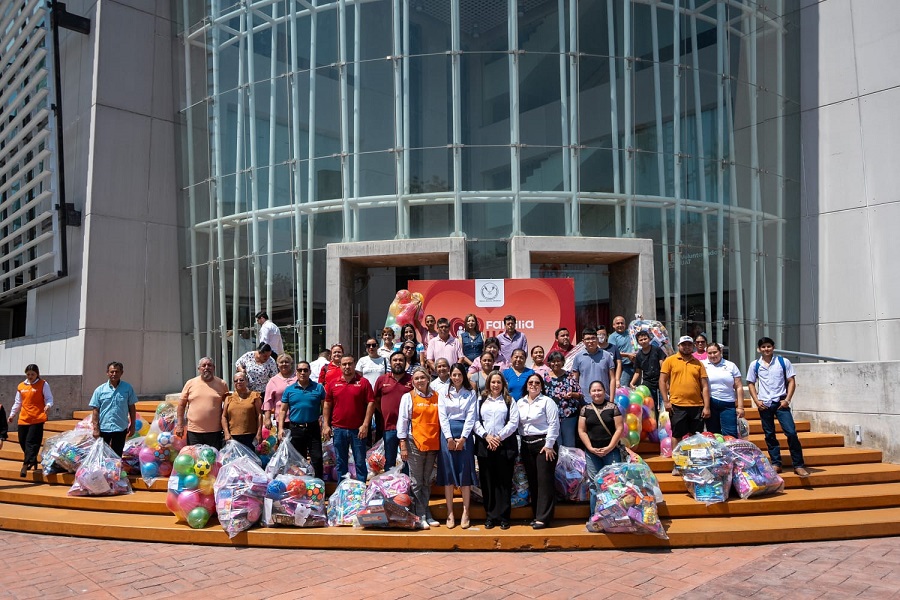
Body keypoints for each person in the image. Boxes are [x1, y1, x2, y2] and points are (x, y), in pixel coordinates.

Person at [746, 337, 808, 477]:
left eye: (768, 346)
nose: (766, 349)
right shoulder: (755, 365)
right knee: (769, 435)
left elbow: (791, 381)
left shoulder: (783, 362)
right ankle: (776, 463)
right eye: (763, 347)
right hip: (765, 404)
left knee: (791, 432)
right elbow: (750, 382)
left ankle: (798, 464)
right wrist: (756, 400)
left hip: (781, 403)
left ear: (773, 347)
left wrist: (787, 400)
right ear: (759, 349)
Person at [473, 371, 520, 530]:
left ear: (503, 384)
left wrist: (498, 437)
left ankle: (504, 516)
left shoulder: (509, 400)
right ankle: (490, 516)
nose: (495, 385)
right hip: (485, 445)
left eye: (498, 382)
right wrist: (487, 436)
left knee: (504, 482)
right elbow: (475, 421)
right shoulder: (481, 400)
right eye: (493, 382)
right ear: (488, 384)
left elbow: (513, 422)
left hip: (504, 446)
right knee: (488, 482)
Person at [397, 366, 441, 529]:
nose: (420, 381)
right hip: (414, 443)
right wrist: (403, 445)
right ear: (412, 381)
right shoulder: (408, 397)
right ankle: (419, 515)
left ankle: (425, 512)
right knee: (416, 481)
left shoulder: (437, 396)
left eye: (422, 377)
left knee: (426, 480)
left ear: (428, 378)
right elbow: (402, 421)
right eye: (416, 378)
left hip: (432, 443)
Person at [517, 373, 559, 529]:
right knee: (533, 482)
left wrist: (549, 445)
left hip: (544, 445)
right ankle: (536, 514)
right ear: (526, 385)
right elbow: (517, 424)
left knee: (544, 482)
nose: (533, 385)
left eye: (537, 383)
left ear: (541, 386)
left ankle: (544, 517)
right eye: (530, 382)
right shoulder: (520, 402)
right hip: (527, 445)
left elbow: (554, 424)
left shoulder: (547, 402)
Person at [323, 355, 375, 482]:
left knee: (360, 461)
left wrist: (365, 425)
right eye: (344, 364)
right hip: (338, 429)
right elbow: (327, 404)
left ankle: (361, 488)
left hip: (358, 430)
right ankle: (343, 489)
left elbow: (371, 402)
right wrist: (325, 425)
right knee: (341, 462)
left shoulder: (363, 382)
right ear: (340, 366)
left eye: (350, 364)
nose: (347, 367)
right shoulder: (333, 383)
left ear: (354, 364)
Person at [437, 363, 477, 529]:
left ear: (464, 375)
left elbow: (471, 416)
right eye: (454, 375)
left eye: (459, 374)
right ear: (450, 376)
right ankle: (450, 512)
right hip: (447, 435)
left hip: (465, 435)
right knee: (448, 474)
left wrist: (463, 438)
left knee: (465, 473)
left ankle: (466, 512)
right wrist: (449, 438)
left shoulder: (471, 393)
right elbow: (442, 416)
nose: (456, 378)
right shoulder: (443, 393)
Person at [578, 380, 623, 513]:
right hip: (592, 453)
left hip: (612, 451)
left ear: (605, 392)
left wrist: (609, 447)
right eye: (594, 391)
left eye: (599, 390)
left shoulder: (613, 407)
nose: (597, 393)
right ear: (589, 393)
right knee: (594, 485)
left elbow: (619, 428)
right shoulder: (585, 409)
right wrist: (590, 448)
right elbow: (582, 431)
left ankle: (613, 515)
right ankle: (595, 516)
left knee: (613, 484)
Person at [279, 361, 326, 479]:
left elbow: (325, 407)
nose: (303, 372)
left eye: (305, 370)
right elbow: (283, 410)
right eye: (300, 370)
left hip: (313, 427)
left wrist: (326, 425)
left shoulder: (318, 388)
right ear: (296, 372)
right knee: (298, 460)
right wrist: (280, 428)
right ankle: (301, 487)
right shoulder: (289, 390)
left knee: (317, 458)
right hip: (295, 428)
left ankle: (318, 485)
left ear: (310, 372)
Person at [659, 336, 710, 440]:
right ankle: (676, 456)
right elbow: (662, 381)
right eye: (684, 344)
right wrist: (666, 401)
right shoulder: (669, 361)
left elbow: (705, 386)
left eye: (689, 344)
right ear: (678, 346)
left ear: (693, 346)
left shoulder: (699, 363)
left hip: (696, 405)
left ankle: (694, 456)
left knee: (696, 437)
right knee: (676, 436)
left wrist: (707, 407)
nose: (686, 347)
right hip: (677, 405)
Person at [176, 357, 229, 449]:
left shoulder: (222, 384)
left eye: (209, 365)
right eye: (203, 365)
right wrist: (180, 425)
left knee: (213, 460)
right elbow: (181, 405)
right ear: (199, 369)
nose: (206, 367)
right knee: (195, 459)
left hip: (215, 432)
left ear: (214, 368)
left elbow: (228, 406)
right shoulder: (190, 383)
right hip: (194, 432)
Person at [373, 351, 413, 471]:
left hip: (408, 428)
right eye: (395, 360)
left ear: (405, 363)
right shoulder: (382, 380)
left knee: (407, 460)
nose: (398, 362)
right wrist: (384, 412)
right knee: (389, 461)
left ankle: (406, 486)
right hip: (388, 426)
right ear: (390, 363)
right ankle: (390, 487)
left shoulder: (411, 380)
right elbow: (376, 400)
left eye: (401, 360)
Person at [11, 364, 54, 475]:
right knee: (23, 441)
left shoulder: (43, 384)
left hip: (37, 417)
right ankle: (32, 459)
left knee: (31, 441)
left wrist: (48, 406)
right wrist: (12, 414)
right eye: (28, 374)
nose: (30, 376)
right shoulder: (21, 386)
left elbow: (49, 398)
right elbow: (18, 402)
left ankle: (26, 464)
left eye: (33, 374)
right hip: (24, 418)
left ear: (37, 374)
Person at [89, 362, 137, 458]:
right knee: (102, 455)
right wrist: (96, 428)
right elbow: (95, 411)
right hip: (104, 428)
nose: (114, 374)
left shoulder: (127, 388)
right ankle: (103, 473)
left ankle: (114, 473)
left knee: (117, 456)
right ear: (107, 373)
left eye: (117, 372)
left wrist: (132, 425)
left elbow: (132, 408)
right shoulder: (100, 390)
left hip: (120, 428)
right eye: (112, 372)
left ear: (121, 373)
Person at [703, 342, 745, 437]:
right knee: (713, 435)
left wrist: (740, 407)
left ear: (720, 351)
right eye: (710, 353)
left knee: (730, 434)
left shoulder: (731, 365)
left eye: (715, 352)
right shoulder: (702, 365)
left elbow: (739, 387)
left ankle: (730, 452)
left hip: (728, 404)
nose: (713, 355)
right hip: (710, 403)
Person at [543, 350, 583, 448]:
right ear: (549, 363)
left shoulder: (569, 375)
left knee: (569, 442)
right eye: (553, 361)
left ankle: (570, 463)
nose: (555, 363)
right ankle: (558, 463)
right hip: (551, 416)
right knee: (556, 443)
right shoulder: (545, 377)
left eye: (558, 361)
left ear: (562, 362)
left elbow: (580, 394)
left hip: (568, 415)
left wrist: (572, 394)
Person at [571, 327, 616, 399]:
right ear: (583, 341)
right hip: (585, 400)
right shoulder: (578, 357)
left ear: (597, 339)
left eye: (593, 338)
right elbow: (575, 380)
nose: (591, 341)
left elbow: (612, 379)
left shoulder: (607, 356)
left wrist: (611, 399)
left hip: (604, 398)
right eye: (587, 339)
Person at [222, 372, 263, 451]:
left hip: (250, 435)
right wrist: (226, 433)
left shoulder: (255, 396)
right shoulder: (229, 397)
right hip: (233, 436)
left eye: (241, 380)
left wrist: (259, 433)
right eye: (236, 381)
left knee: (250, 460)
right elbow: (224, 416)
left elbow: (259, 415)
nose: (238, 382)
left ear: (247, 381)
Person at [630, 330, 667, 411]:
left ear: (649, 339)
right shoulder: (639, 355)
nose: (643, 341)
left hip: (660, 379)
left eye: (645, 339)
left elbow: (663, 365)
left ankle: (663, 423)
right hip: (648, 382)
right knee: (651, 406)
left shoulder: (657, 350)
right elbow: (637, 372)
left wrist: (666, 381)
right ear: (638, 342)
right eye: (641, 340)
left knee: (663, 405)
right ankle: (654, 422)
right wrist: (632, 383)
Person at [262, 354, 296, 429]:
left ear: (291, 364)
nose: (284, 364)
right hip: (281, 418)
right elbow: (268, 401)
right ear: (277, 365)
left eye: (286, 362)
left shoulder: (297, 378)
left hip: (297, 417)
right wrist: (267, 418)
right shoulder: (273, 381)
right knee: (283, 440)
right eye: (281, 362)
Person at [609, 315, 637, 388]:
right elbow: (613, 352)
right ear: (613, 325)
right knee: (622, 386)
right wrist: (628, 355)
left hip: (635, 365)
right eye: (618, 323)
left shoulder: (631, 333)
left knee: (634, 388)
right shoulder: (612, 337)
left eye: (622, 323)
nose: (620, 325)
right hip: (623, 366)